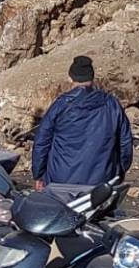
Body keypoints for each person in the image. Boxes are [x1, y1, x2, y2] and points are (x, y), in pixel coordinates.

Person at [31, 55, 133, 189]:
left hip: (61, 182)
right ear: (92, 77)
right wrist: (119, 171)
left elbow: (42, 142)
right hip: (101, 182)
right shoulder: (111, 104)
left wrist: (38, 174)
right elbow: (125, 142)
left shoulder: (61, 105)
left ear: (70, 77)